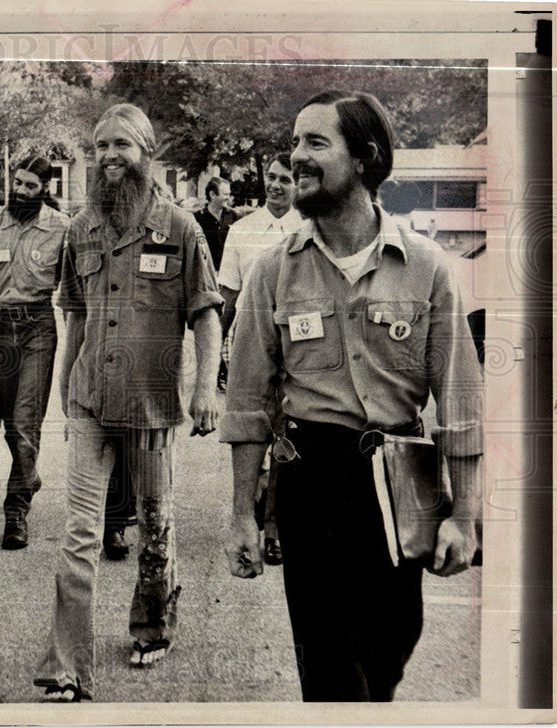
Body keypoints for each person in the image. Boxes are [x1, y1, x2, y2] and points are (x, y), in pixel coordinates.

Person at [221, 90, 483, 701]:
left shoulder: (426, 268)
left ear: (365, 158)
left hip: (402, 485)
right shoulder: (272, 270)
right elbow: (249, 403)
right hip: (311, 482)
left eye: (316, 142)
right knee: (332, 676)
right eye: (294, 142)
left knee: (387, 660)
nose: (296, 158)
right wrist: (242, 513)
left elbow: (462, 403)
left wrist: (465, 517)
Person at [34, 104, 223, 702]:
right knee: (79, 534)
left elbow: (206, 315)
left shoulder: (181, 229)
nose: (110, 155)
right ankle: (67, 667)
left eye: (123, 144)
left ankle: (153, 625)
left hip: (151, 411)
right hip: (90, 403)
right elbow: (76, 319)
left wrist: (202, 388)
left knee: (156, 531)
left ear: (147, 152)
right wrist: (65, 390)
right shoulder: (80, 228)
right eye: (100, 146)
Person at [0, 156, 70, 550]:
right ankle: (28, 473)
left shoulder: (61, 229)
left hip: (38, 328)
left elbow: (75, 290)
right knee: (11, 421)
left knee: (27, 420)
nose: (21, 192)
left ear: (45, 190)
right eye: (18, 183)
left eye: (30, 186)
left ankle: (16, 510)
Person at [216, 152, 303, 565]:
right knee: (251, 433)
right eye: (272, 177)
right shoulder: (242, 230)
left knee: (286, 438)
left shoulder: (308, 231)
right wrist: (216, 344)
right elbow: (229, 294)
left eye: (286, 179)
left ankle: (274, 527)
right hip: (250, 349)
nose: (277, 185)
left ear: (298, 184)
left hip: (297, 351)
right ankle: (248, 511)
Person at [194, 178, 237, 393]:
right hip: (208, 280)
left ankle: (224, 370)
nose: (229, 198)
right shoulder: (197, 220)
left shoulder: (233, 217)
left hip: (229, 279)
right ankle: (215, 370)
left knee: (226, 325)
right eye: (225, 194)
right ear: (212, 195)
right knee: (212, 325)